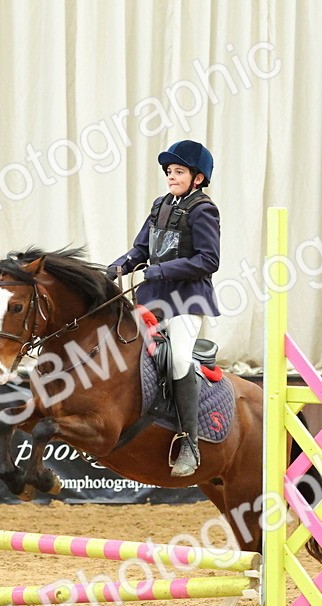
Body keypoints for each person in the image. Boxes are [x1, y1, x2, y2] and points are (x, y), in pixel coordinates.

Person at [107, 140, 220, 478]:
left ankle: (190, 443)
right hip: (153, 298)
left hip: (186, 301)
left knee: (181, 359)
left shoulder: (204, 210)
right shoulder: (160, 206)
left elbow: (208, 260)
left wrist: (158, 271)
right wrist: (116, 268)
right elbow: (141, 248)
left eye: (179, 171)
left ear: (197, 178)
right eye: (169, 172)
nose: (171, 177)